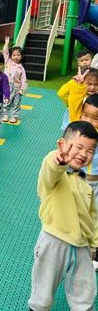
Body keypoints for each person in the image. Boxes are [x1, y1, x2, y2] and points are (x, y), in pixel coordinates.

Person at [28, 121, 98, 310]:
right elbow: (50, 169)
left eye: (91, 150)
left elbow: (92, 217)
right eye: (79, 147)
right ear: (63, 144)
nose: (84, 154)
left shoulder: (85, 184)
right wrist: (59, 159)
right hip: (53, 242)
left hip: (82, 247)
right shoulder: (55, 176)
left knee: (84, 293)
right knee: (42, 294)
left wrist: (93, 244)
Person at [79, 94, 98, 271]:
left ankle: (93, 251)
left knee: (96, 217)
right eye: (86, 115)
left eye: (95, 118)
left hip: (97, 184)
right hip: (81, 181)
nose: (90, 121)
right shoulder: (80, 133)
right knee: (80, 214)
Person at [2, 36, 27, 123]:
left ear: (21, 56)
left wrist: (22, 90)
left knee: (16, 103)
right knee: (6, 101)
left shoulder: (21, 68)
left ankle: (14, 116)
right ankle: (5, 114)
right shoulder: (8, 61)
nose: (16, 57)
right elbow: (5, 52)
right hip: (7, 87)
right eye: (14, 55)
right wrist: (6, 43)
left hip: (16, 88)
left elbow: (24, 80)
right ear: (11, 56)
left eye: (18, 55)